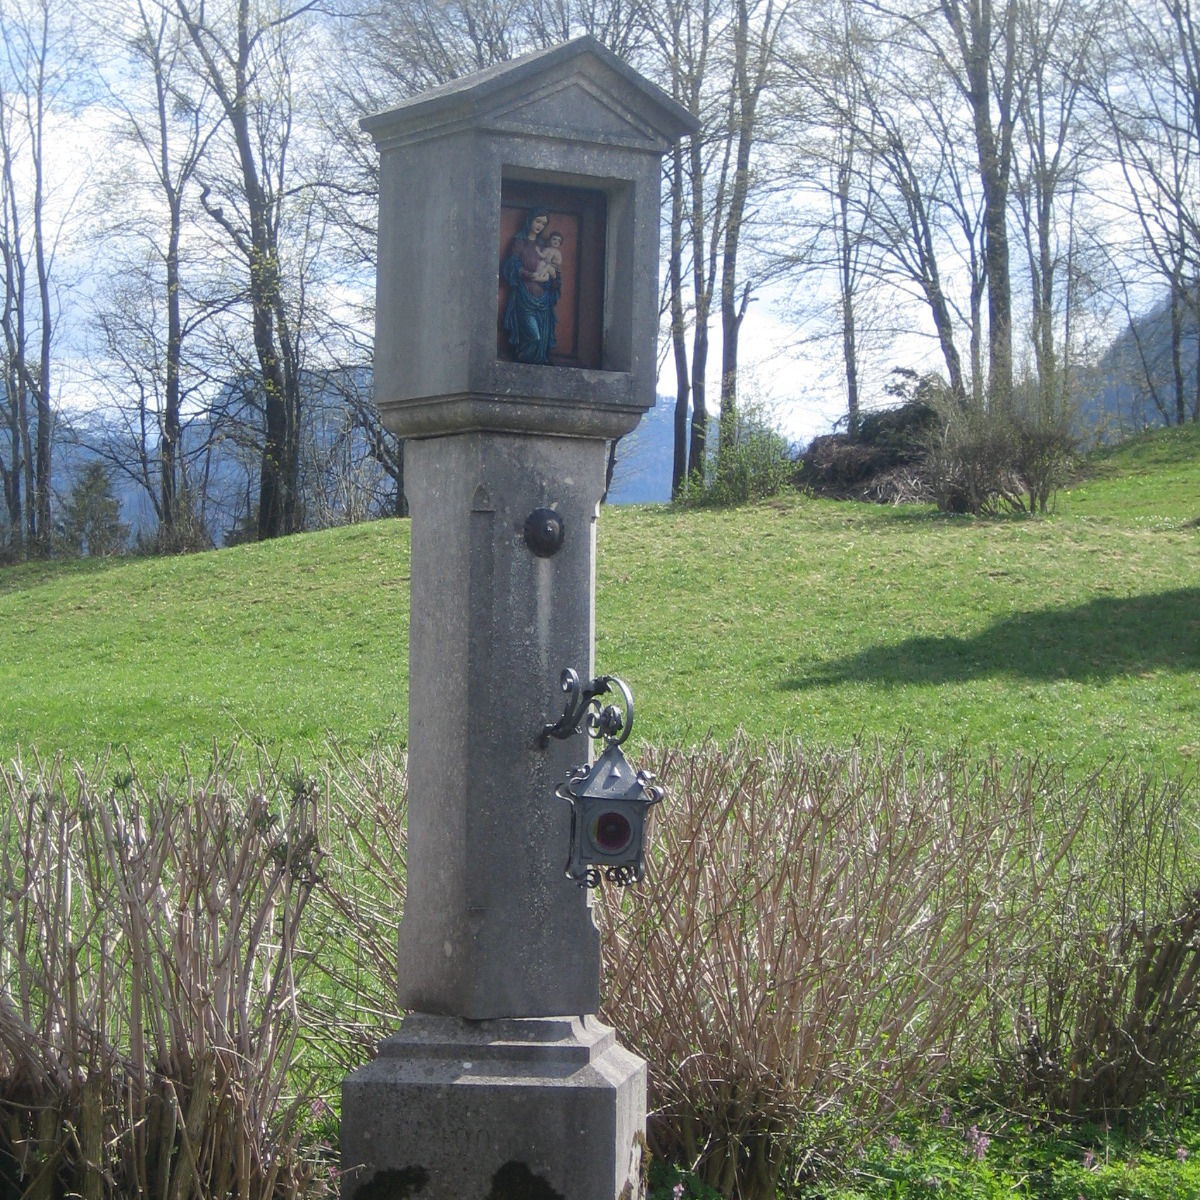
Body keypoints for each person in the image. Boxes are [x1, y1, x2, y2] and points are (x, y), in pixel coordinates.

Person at [501, 208, 560, 364]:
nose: (540, 226)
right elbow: (511, 265)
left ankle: (537, 365)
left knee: (542, 341)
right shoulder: (519, 242)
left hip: (544, 298)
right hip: (525, 296)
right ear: (530, 220)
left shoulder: (543, 246)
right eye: (537, 221)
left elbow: (552, 269)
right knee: (534, 337)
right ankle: (521, 362)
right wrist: (530, 275)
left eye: (543, 223)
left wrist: (553, 276)